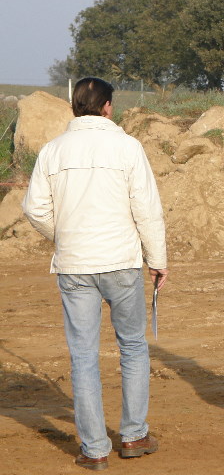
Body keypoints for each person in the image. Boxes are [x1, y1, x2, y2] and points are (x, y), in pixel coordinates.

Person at [22, 77, 168, 471]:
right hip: (121, 260)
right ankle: (134, 434)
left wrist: (64, 235)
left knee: (83, 356)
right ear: (106, 106)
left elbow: (34, 208)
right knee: (133, 347)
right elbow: (147, 208)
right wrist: (158, 258)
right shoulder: (127, 146)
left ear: (74, 106)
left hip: (74, 264)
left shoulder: (53, 151)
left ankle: (95, 449)